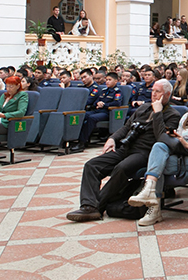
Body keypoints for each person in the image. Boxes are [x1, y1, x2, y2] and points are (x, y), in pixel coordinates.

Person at [66, 80, 180, 221]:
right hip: (126, 147)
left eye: (158, 92)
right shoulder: (143, 108)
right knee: (92, 165)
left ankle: (96, 207)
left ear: (167, 95)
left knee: (121, 168)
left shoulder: (173, 114)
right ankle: (88, 205)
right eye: (153, 91)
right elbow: (126, 127)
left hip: (145, 152)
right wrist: (113, 138)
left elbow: (161, 137)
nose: (153, 94)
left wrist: (157, 113)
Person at [128, 83, 188, 225]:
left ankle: (153, 204)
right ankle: (151, 190)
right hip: (179, 153)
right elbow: (177, 139)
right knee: (159, 146)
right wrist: (174, 138)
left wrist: (186, 144)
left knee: (158, 163)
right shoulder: (186, 117)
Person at [74, 72, 124, 149]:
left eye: (110, 80)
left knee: (92, 118)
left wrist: (104, 105)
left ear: (116, 81)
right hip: (98, 110)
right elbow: (95, 102)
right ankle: (75, 139)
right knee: (83, 115)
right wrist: (98, 103)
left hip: (107, 113)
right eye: (106, 80)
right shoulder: (104, 90)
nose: (107, 82)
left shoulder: (117, 91)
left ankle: (82, 142)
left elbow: (117, 103)